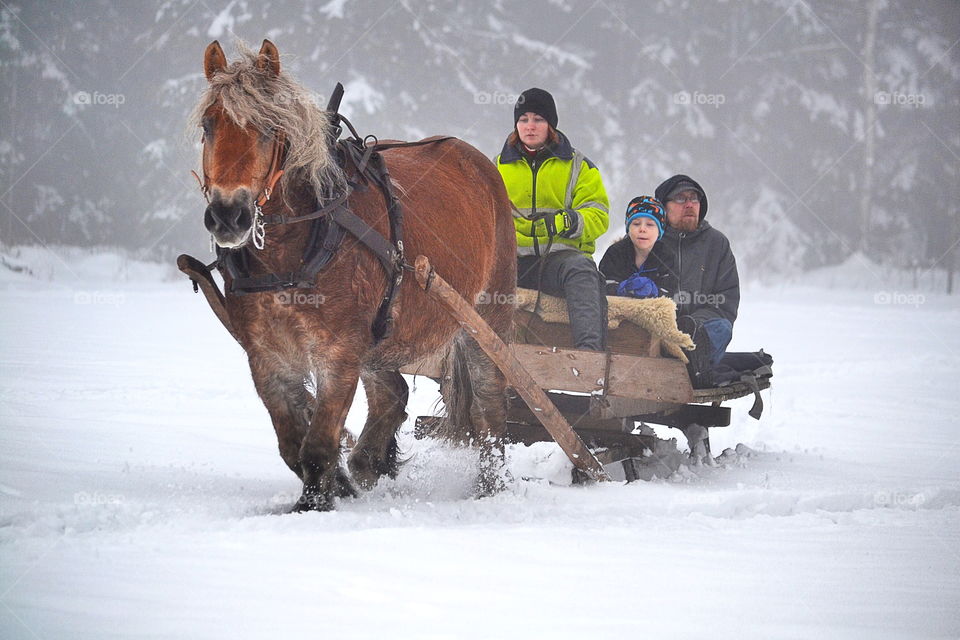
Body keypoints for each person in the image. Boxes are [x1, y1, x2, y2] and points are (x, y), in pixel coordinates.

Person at [496, 88, 610, 351]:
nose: (530, 126)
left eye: (538, 119)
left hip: (558, 260)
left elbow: (598, 215)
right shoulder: (497, 167)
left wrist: (566, 222)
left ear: (551, 125)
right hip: (511, 262)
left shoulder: (579, 166)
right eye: (523, 119)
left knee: (581, 270)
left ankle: (588, 354)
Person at [654, 174, 740, 387]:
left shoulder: (716, 243)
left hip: (698, 336)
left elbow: (725, 302)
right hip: (653, 334)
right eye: (681, 199)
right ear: (663, 207)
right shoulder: (647, 237)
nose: (690, 204)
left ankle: (694, 370)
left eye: (694, 199)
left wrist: (692, 326)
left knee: (721, 328)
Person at [598, 195, 676, 299]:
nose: (642, 229)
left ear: (660, 231)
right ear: (628, 228)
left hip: (654, 312)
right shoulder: (615, 253)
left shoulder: (667, 256)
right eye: (636, 223)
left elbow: (672, 292)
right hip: (618, 312)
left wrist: (655, 290)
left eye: (650, 224)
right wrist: (622, 288)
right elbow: (603, 285)